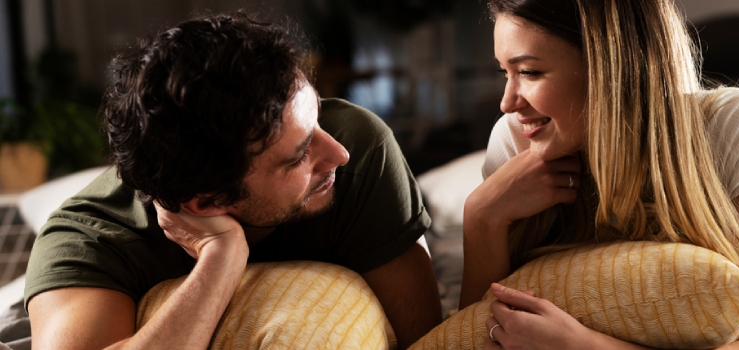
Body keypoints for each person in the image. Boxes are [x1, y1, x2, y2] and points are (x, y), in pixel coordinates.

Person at [24, 11, 442, 349]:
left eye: (316, 116)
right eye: (298, 156)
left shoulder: (359, 148)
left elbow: (424, 341)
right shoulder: (89, 241)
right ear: (206, 204)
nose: (337, 153)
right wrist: (221, 258)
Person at [460, 0, 739, 349]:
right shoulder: (515, 138)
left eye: (528, 73)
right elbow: (469, 335)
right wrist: (481, 217)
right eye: (503, 73)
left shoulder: (736, 125)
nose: (508, 103)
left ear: (610, 68)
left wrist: (583, 346)